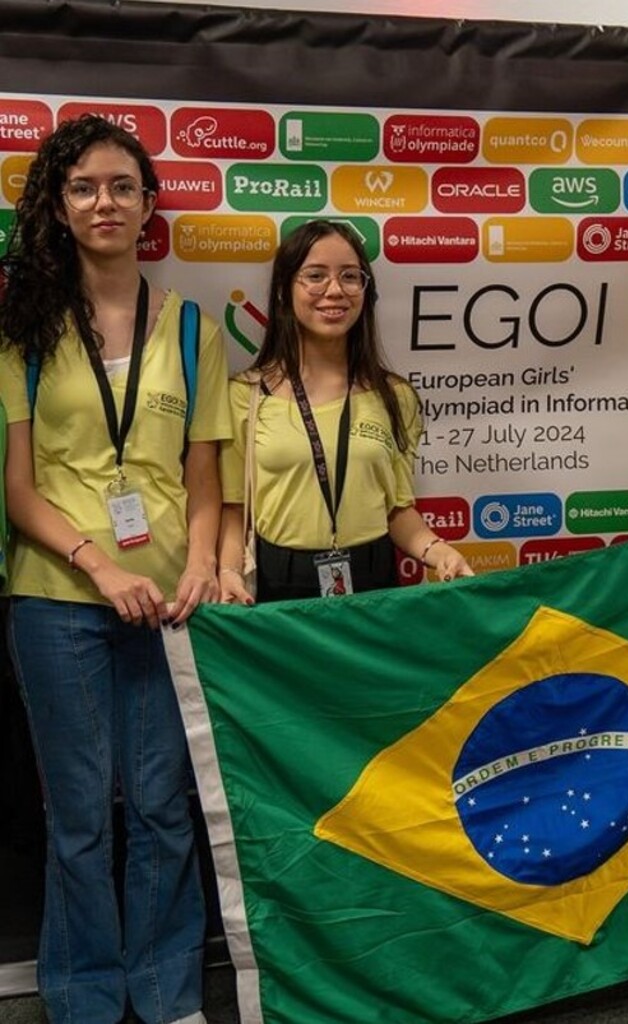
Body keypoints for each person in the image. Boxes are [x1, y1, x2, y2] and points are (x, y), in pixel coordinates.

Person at [0, 114, 231, 1024]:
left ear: (148, 205)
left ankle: (170, 995)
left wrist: (201, 565)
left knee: (167, 809)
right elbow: (18, 490)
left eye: (122, 186)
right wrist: (100, 567)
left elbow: (205, 478)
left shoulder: (191, 330)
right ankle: (88, 999)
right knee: (82, 817)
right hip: (59, 598)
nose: (105, 202)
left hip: (170, 605)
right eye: (85, 187)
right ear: (60, 207)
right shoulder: (24, 328)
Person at [217, 219, 471, 604]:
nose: (335, 290)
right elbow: (235, 510)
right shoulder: (245, 395)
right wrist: (228, 572)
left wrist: (439, 552)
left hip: (373, 580)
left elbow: (398, 511)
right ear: (284, 291)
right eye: (315, 276)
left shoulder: (395, 396)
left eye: (350, 276)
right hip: (278, 586)